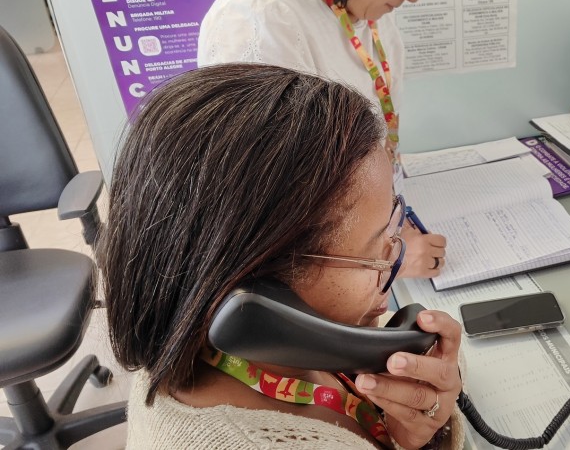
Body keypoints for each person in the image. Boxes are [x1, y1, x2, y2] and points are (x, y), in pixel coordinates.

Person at [97, 64, 465, 449]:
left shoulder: (208, 330)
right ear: (264, 301)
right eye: (378, 252)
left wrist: (422, 403)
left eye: (394, 229)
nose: (393, 263)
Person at [198, 0, 457, 281]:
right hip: (316, 271)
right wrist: (380, 261)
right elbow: (261, 212)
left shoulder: (367, 8)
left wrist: (388, 225)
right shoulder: (258, 17)